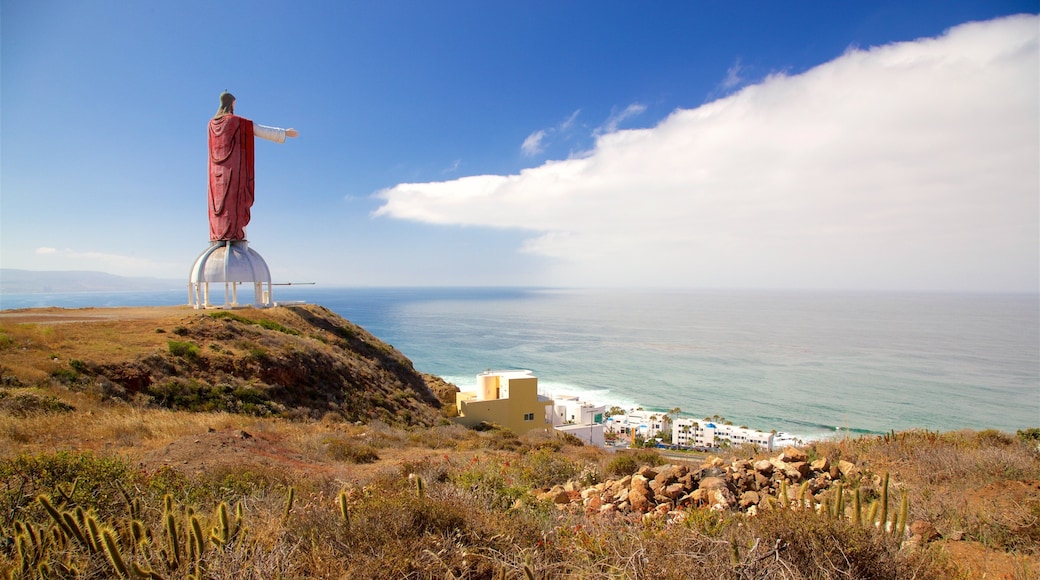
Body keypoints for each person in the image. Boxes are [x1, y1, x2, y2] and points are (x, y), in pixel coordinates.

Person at [208, 91, 298, 241]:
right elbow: (257, 129)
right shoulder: (236, 122)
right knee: (235, 202)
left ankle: (222, 232)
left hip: (216, 175)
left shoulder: (211, 124)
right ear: (231, 103)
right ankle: (234, 232)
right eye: (234, 103)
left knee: (221, 204)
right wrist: (284, 133)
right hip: (234, 170)